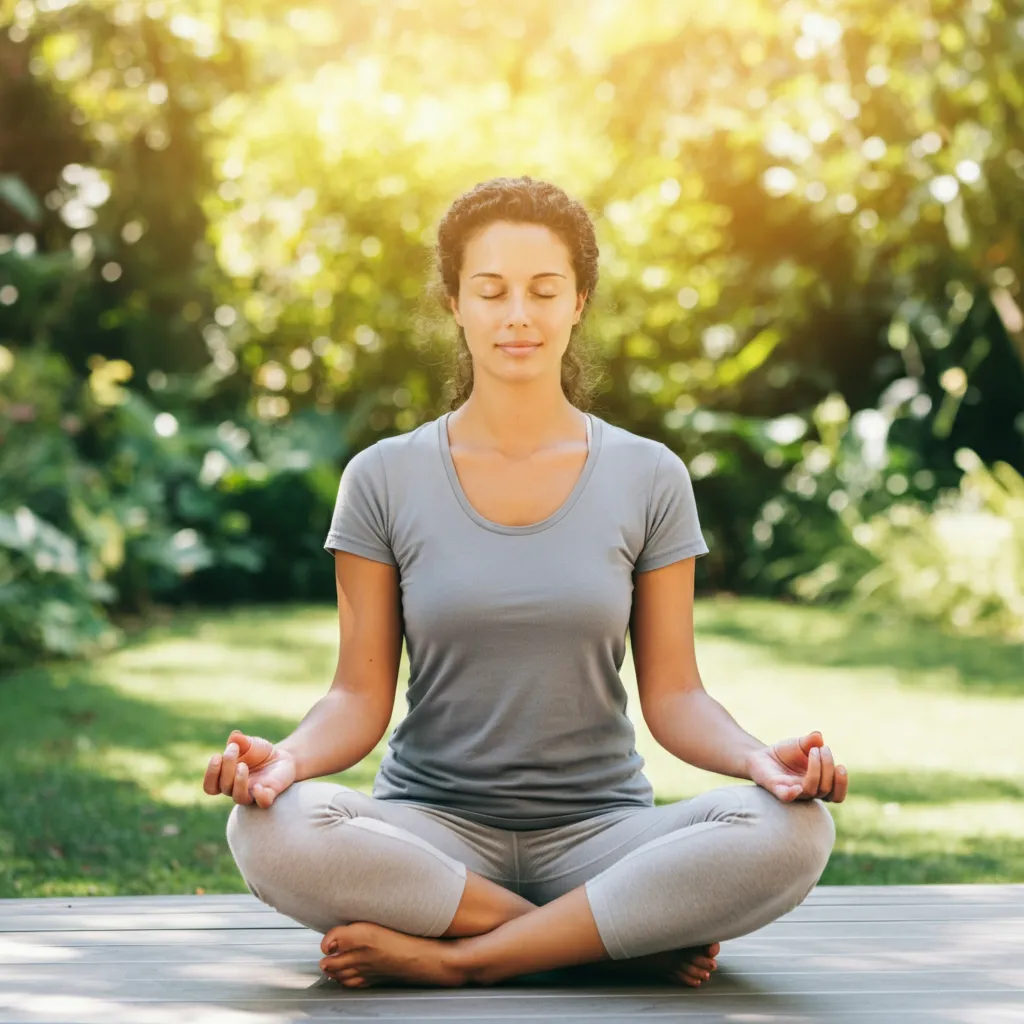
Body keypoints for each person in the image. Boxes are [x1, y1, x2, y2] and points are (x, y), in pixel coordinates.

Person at [204, 175, 847, 991]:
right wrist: (284, 761)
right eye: (492, 290)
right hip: (431, 834)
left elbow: (677, 696)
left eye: (544, 290)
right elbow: (356, 697)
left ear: (578, 301)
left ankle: (461, 959)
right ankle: (604, 937)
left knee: (794, 831)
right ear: (454, 303)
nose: (518, 314)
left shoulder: (649, 476)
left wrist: (762, 762)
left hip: (603, 834)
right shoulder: (383, 479)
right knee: (269, 829)